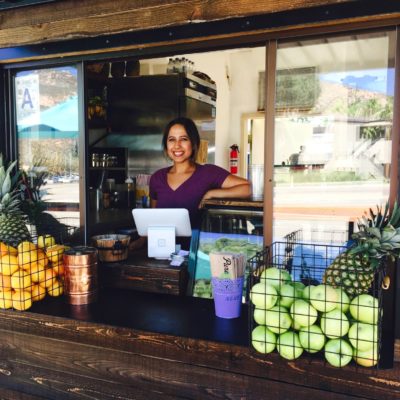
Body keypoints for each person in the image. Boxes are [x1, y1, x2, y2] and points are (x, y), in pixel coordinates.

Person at [130, 117, 251, 250]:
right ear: (166, 145)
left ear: (193, 143)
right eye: (171, 140)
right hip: (163, 252)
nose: (177, 145)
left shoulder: (208, 173)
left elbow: (247, 188)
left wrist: (212, 193)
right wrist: (139, 243)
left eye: (184, 139)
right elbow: (154, 221)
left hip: (199, 254)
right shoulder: (157, 178)